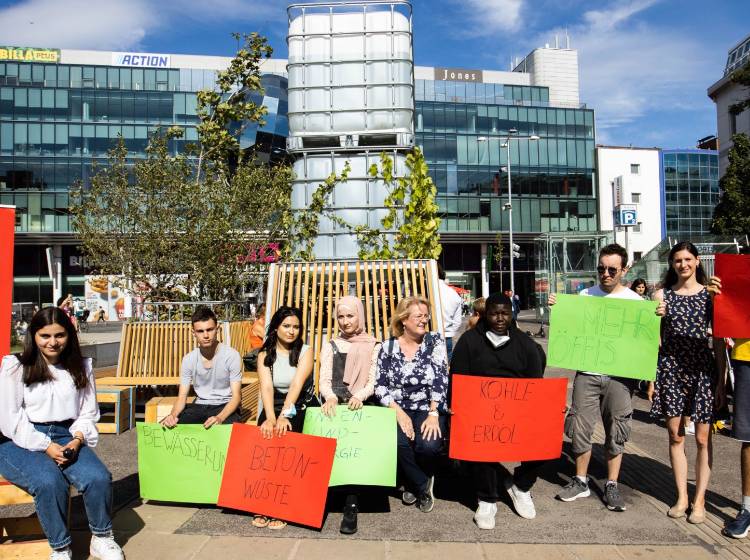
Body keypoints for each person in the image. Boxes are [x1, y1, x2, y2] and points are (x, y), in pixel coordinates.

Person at [0, 307, 125, 560]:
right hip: (19, 438)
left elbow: (87, 412)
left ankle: (101, 537)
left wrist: (77, 440)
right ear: (33, 335)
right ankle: (60, 547)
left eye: (60, 335)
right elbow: (11, 418)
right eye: (45, 335)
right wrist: (45, 445)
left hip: (68, 434)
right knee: (49, 481)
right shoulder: (16, 367)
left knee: (98, 477)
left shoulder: (80, 366)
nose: (53, 342)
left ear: (70, 335)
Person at [553, 243, 665, 511]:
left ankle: (612, 483)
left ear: (624, 269)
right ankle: (580, 480)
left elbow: (652, 345)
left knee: (618, 429)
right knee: (580, 426)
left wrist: (658, 319)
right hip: (587, 374)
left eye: (612, 269)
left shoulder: (638, 304)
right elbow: (569, 333)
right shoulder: (583, 297)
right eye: (601, 268)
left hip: (620, 377)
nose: (605, 273)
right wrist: (559, 309)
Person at [450, 292, 546, 529]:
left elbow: (535, 383)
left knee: (545, 439)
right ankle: (487, 498)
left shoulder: (526, 345)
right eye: (494, 313)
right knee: (483, 447)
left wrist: (549, 407)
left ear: (511, 314)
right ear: (485, 314)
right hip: (481, 411)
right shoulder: (469, 341)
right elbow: (458, 379)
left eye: (505, 313)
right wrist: (456, 406)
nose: (500, 318)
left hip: (517, 410)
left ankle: (521, 486)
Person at [649, 242, 725, 523]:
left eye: (688, 259)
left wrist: (720, 379)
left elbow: (717, 339)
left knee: (703, 439)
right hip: (670, 369)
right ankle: (682, 496)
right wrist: (651, 375)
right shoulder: (662, 296)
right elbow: (652, 339)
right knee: (675, 435)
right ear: (672, 264)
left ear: (697, 262)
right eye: (677, 260)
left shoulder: (709, 295)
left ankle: (700, 500)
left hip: (701, 370)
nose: (683, 264)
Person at [375, 296, 448, 514]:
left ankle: (411, 479)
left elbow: (441, 379)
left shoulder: (435, 342)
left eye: (426, 316)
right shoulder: (387, 347)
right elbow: (380, 386)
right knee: (399, 443)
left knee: (428, 446)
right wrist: (398, 413)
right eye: (419, 316)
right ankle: (422, 484)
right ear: (404, 320)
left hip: (428, 407)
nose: (424, 320)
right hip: (396, 407)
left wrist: (434, 413)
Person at [319, 296, 381, 535]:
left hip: (361, 403)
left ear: (360, 316)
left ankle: (351, 503)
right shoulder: (331, 344)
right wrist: (331, 396)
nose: (345, 322)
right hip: (335, 402)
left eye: (350, 316)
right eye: (341, 316)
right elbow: (324, 379)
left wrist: (360, 396)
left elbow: (373, 381)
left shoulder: (374, 344)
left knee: (353, 448)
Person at [253, 306, 314, 530]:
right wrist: (270, 417)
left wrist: (283, 416)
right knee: (264, 433)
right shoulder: (264, 354)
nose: (291, 331)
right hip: (273, 402)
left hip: (297, 403)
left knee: (287, 435)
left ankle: (283, 504)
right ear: (276, 327)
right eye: (286, 326)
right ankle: (263, 500)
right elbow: (266, 388)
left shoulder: (305, 351)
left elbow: (297, 385)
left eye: (296, 327)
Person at [707, 266, 750, 537]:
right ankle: (747, 508)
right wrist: (717, 300)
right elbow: (721, 331)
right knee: (749, 438)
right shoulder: (738, 273)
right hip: (746, 357)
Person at [161, 307, 242, 429]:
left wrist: (220, 417)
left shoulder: (231, 356)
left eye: (209, 330)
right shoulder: (189, 359)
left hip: (225, 405)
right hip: (200, 406)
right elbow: (182, 397)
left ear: (217, 329)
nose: (206, 335)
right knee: (171, 427)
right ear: (193, 333)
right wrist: (173, 415)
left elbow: (236, 397)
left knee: (225, 432)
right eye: (200, 331)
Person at [437, 264, 463, 358]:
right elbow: (457, 322)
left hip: (427, 337)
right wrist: (449, 332)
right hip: (446, 337)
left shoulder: (426, 291)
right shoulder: (454, 294)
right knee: (446, 369)